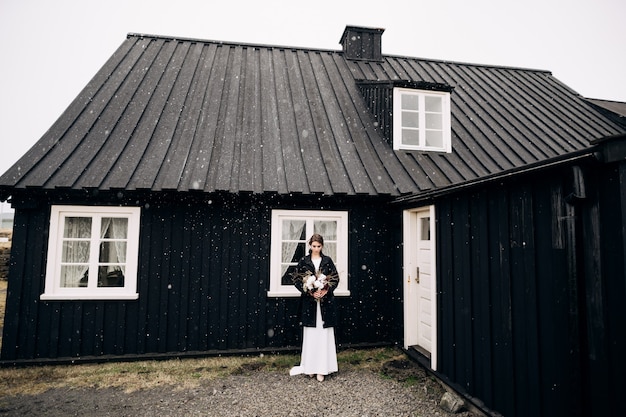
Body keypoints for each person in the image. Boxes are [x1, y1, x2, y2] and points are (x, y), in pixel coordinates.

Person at [289, 234, 339, 382]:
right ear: (310, 245)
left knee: (323, 335)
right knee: (311, 335)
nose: (316, 249)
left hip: (325, 305)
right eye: (314, 246)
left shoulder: (327, 261)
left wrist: (325, 290)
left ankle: (323, 368)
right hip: (309, 305)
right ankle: (310, 367)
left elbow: (335, 278)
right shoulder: (304, 261)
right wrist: (310, 291)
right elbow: (297, 279)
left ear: (322, 246)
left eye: (318, 246)